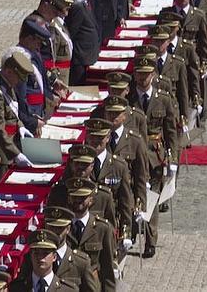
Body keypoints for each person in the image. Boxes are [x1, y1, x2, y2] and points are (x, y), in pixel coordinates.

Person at [127, 56, 178, 258]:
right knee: (133, 195)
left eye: (146, 74)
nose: (142, 78)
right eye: (139, 73)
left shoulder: (163, 99)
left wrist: (172, 158)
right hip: (133, 154)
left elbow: (170, 131)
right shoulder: (128, 99)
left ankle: (150, 240)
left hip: (155, 155)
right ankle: (131, 230)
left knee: (152, 199)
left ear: (154, 74)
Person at [83, 118, 135, 252]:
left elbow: (125, 200)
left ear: (107, 138)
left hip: (110, 222)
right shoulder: (78, 164)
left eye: (100, 138)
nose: (95, 141)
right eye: (92, 137)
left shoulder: (119, 166)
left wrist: (126, 230)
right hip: (84, 223)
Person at [65, 178, 116, 292]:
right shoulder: (62, 228)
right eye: (74, 197)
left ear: (91, 200)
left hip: (92, 285)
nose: (78, 200)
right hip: (67, 284)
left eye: (83, 198)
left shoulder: (102, 228)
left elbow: (107, 268)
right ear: (69, 199)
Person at [35, 207, 100, 292]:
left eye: (60, 228)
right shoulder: (33, 259)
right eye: (51, 227)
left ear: (68, 229)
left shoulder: (80, 262)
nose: (55, 232)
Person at [0, 50, 35, 170]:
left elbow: (12, 111)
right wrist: (16, 154)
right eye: (18, 78)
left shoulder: (8, 83)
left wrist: (20, 126)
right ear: (9, 72)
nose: (19, 82)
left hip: (13, 144)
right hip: (4, 152)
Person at [9, 229, 78, 292]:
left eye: (45, 253)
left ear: (54, 257)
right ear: (30, 256)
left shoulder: (68, 290)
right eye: (36, 253)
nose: (40, 257)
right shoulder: (17, 288)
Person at [66, 0, 101, 86]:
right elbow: (72, 31)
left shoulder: (86, 1)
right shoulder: (78, 6)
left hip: (87, 55)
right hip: (81, 57)